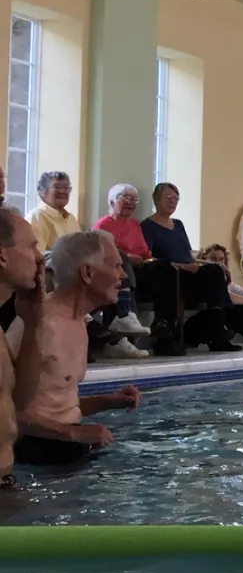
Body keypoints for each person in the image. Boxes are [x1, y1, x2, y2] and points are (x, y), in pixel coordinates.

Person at [10, 231, 141, 465]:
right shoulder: (40, 325)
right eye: (116, 266)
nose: (122, 275)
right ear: (87, 273)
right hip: (34, 454)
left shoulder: (78, 320)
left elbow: (54, 404)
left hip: (61, 444)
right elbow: (6, 411)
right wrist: (75, 433)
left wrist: (108, 401)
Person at [137, 183, 240, 352]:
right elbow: (149, 259)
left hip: (189, 275)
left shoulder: (178, 225)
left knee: (214, 271)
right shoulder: (148, 226)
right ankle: (166, 334)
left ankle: (217, 331)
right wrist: (182, 266)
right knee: (168, 273)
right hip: (169, 275)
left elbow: (189, 255)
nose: (173, 201)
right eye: (168, 197)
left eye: (176, 198)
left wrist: (216, 265)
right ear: (156, 200)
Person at [0, 207, 42, 484]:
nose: (39, 258)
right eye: (31, 246)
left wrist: (33, 323)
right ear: (2, 255)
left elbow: (19, 402)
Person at [88, 184, 154, 357]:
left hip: (136, 269)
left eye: (134, 199)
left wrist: (143, 260)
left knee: (163, 269)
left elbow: (145, 253)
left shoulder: (134, 224)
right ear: (111, 201)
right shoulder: (102, 225)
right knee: (121, 257)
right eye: (124, 198)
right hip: (110, 271)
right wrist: (128, 258)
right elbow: (99, 254)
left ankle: (162, 330)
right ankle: (124, 315)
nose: (130, 202)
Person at [26, 171, 80, 252]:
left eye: (66, 187)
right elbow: (37, 255)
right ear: (44, 191)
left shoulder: (71, 218)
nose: (62, 191)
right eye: (57, 187)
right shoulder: (37, 217)